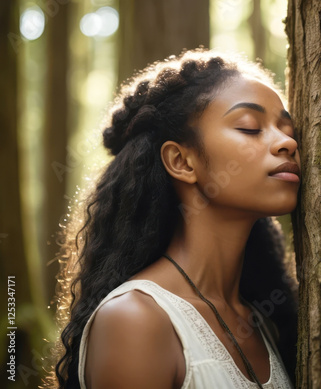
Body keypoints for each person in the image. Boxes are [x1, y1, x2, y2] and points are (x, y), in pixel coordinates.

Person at [45, 49, 300, 389]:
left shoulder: (269, 320)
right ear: (181, 162)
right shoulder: (136, 320)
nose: (286, 142)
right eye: (250, 128)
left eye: (287, 129)